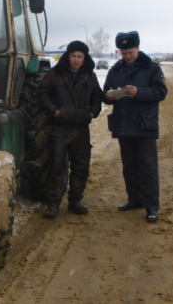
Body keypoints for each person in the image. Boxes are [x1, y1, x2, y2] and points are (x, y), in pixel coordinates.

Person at [102, 31, 167, 222]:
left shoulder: (152, 68)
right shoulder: (115, 70)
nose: (127, 56)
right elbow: (106, 92)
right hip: (123, 125)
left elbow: (161, 92)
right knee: (129, 166)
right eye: (124, 53)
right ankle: (134, 199)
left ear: (138, 48)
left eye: (130, 52)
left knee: (148, 167)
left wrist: (139, 92)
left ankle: (152, 207)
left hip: (145, 125)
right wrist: (109, 96)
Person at [37, 40, 102, 218]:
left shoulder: (90, 76)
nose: (76, 59)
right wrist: (55, 111)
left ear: (84, 58)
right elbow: (42, 93)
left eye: (79, 56)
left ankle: (75, 200)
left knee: (81, 166)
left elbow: (97, 95)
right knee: (57, 164)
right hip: (60, 127)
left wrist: (93, 113)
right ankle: (53, 203)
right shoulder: (54, 74)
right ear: (68, 56)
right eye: (73, 56)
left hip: (81, 128)